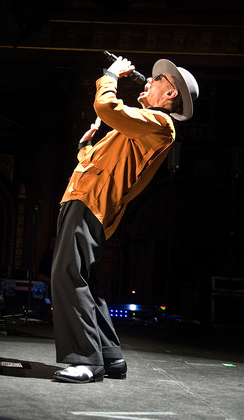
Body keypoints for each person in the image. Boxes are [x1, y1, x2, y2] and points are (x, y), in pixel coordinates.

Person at [51, 56, 199, 383]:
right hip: (86, 201)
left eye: (157, 79)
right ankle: (109, 355)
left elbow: (107, 109)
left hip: (91, 203)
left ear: (170, 94)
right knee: (84, 279)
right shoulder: (147, 123)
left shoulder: (161, 125)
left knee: (67, 274)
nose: (149, 80)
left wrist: (110, 75)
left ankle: (85, 360)